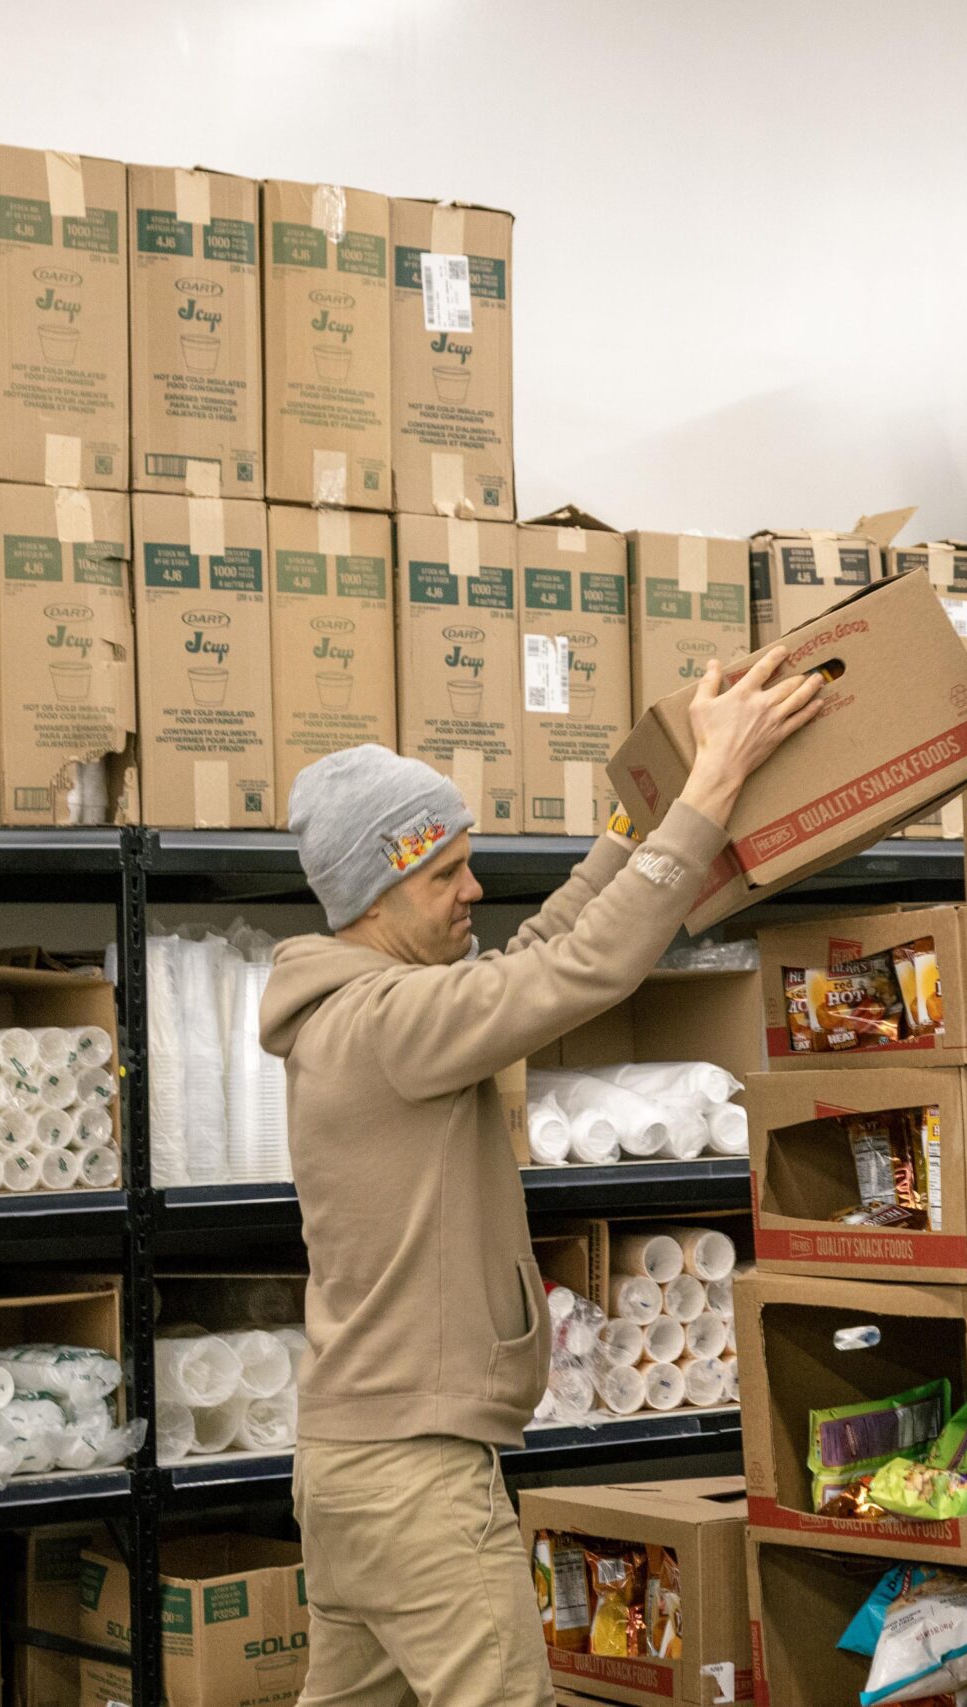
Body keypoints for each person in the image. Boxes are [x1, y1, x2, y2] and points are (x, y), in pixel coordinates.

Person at [259, 647, 822, 1705]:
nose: (473, 887)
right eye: (445, 875)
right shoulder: (385, 1024)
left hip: (349, 1467)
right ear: (376, 894)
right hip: (416, 1475)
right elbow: (582, 971)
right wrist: (708, 795)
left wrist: (641, 812)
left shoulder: (376, 1008)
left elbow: (539, 949)